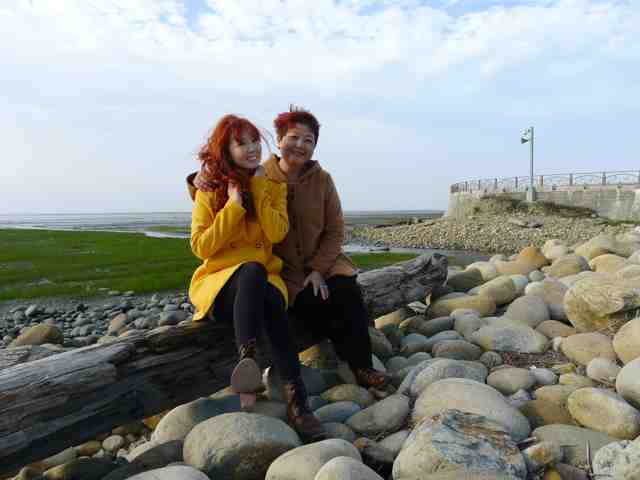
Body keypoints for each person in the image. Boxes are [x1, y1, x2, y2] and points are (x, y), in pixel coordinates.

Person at [188, 114, 325, 441]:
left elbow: (277, 233)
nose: (251, 149)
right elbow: (201, 246)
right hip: (221, 285)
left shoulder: (272, 187)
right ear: (226, 149)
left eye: (254, 142)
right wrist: (233, 206)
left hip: (265, 282)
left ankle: (280, 391)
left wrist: (260, 188)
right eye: (241, 144)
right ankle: (279, 388)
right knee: (251, 270)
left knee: (264, 288)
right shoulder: (210, 190)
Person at [262, 106, 390, 390]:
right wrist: (196, 181)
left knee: (347, 292)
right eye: (294, 137)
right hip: (284, 272)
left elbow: (335, 230)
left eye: (308, 140)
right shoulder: (260, 177)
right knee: (311, 304)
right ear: (279, 140)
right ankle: (339, 356)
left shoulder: (322, 180)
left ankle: (362, 367)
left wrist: (318, 269)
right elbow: (223, 190)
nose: (300, 145)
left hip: (325, 263)